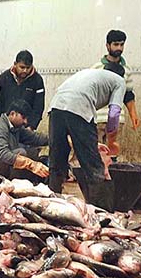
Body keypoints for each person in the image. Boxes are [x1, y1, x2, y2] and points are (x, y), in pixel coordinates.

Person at [47, 64, 127, 211]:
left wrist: (91, 143)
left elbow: (74, 128)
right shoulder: (120, 81)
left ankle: (52, 207)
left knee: (57, 160)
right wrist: (112, 141)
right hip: (79, 108)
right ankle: (102, 213)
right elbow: (114, 113)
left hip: (55, 107)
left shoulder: (91, 74)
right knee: (94, 167)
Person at [0, 99, 49, 182]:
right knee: (21, 153)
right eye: (23, 117)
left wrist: (54, 139)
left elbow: (35, 138)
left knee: (33, 151)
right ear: (13, 114)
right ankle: (15, 184)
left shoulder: (16, 127)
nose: (25, 122)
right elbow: (2, 155)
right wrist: (31, 164)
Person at [91, 30, 140, 152]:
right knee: (94, 153)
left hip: (117, 119)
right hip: (98, 119)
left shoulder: (126, 69)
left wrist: (133, 115)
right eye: (115, 44)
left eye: (121, 44)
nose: (119, 48)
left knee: (112, 154)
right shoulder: (96, 68)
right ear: (107, 45)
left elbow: (128, 95)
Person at [0, 50, 45, 130]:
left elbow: (39, 106)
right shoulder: (4, 77)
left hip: (26, 126)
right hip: (5, 125)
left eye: (28, 68)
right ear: (15, 64)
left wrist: (31, 126)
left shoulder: (37, 80)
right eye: (22, 67)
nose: (25, 70)